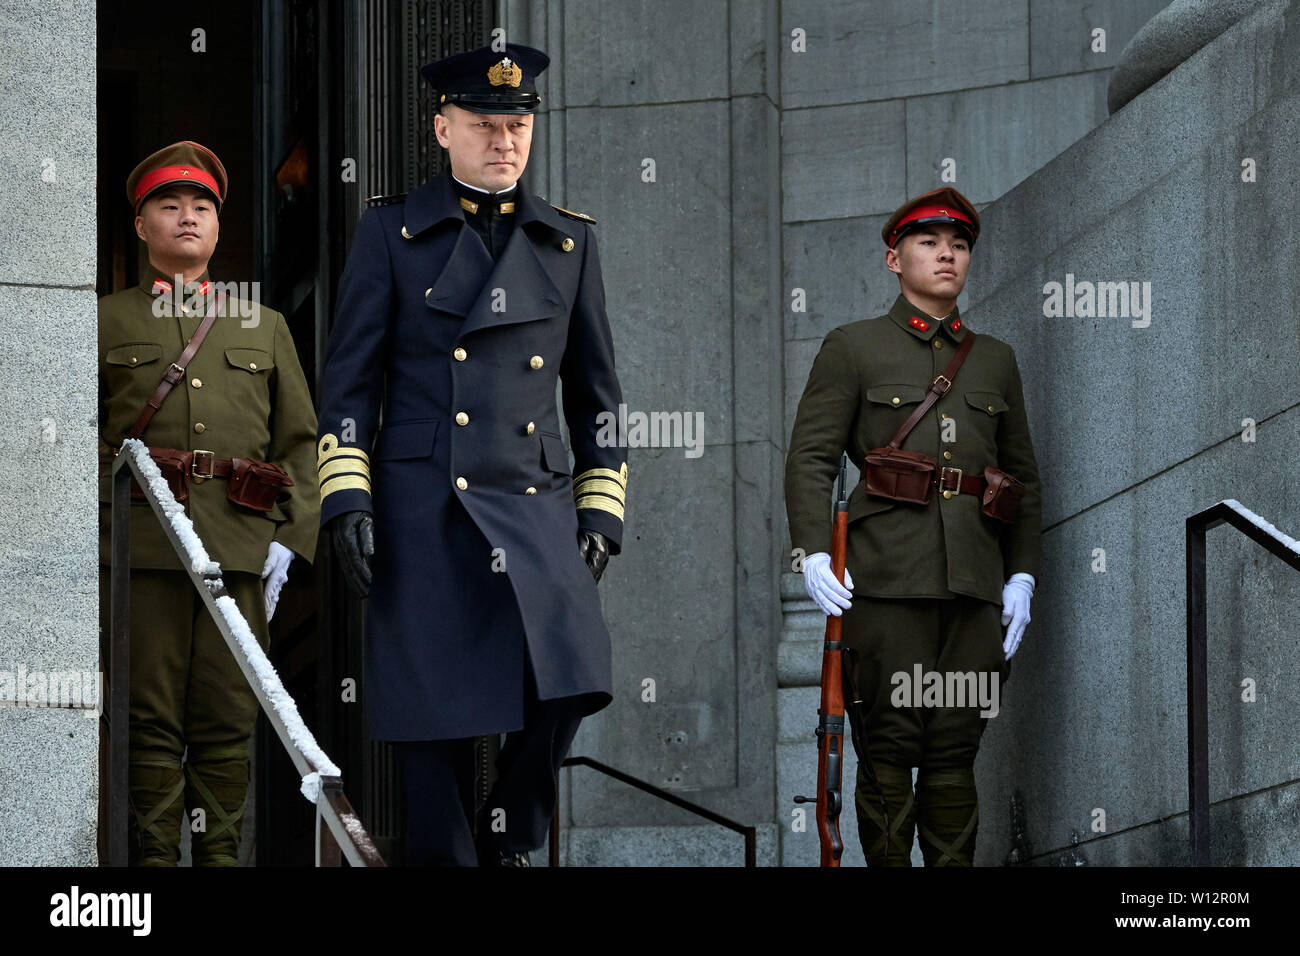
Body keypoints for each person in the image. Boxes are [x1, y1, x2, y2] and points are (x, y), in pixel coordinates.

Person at [316, 42, 628, 866]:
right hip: (425, 505)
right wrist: (348, 496)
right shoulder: (391, 231)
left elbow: (598, 399)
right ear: (442, 127)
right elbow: (347, 387)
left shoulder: (570, 245)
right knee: (435, 717)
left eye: (518, 126)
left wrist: (600, 507)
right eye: (485, 125)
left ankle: (511, 833)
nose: (505, 142)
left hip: (533, 500)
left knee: (571, 675)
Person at [784, 187, 1042, 866]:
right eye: (930, 243)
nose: (947, 255)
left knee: (957, 749)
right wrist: (813, 552)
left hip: (974, 590)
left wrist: (1020, 575)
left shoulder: (994, 360)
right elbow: (811, 458)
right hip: (887, 584)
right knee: (891, 747)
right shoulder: (853, 347)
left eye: (958, 245)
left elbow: (1023, 479)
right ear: (894, 259)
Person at [98, 141, 320, 865]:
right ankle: (157, 867)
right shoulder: (102, 321)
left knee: (230, 718)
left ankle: (221, 862)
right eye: (169, 205)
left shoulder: (266, 326)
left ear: (218, 228)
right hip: (145, 551)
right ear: (141, 225)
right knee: (149, 721)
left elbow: (302, 444)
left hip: (243, 548)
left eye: (201, 206)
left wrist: (293, 537)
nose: (187, 217)